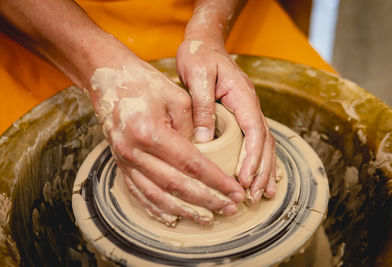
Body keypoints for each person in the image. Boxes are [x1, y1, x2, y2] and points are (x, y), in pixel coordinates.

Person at [0, 0, 334, 225]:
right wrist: (102, 68)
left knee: (330, 104)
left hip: (205, 11)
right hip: (48, 24)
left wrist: (210, 27)